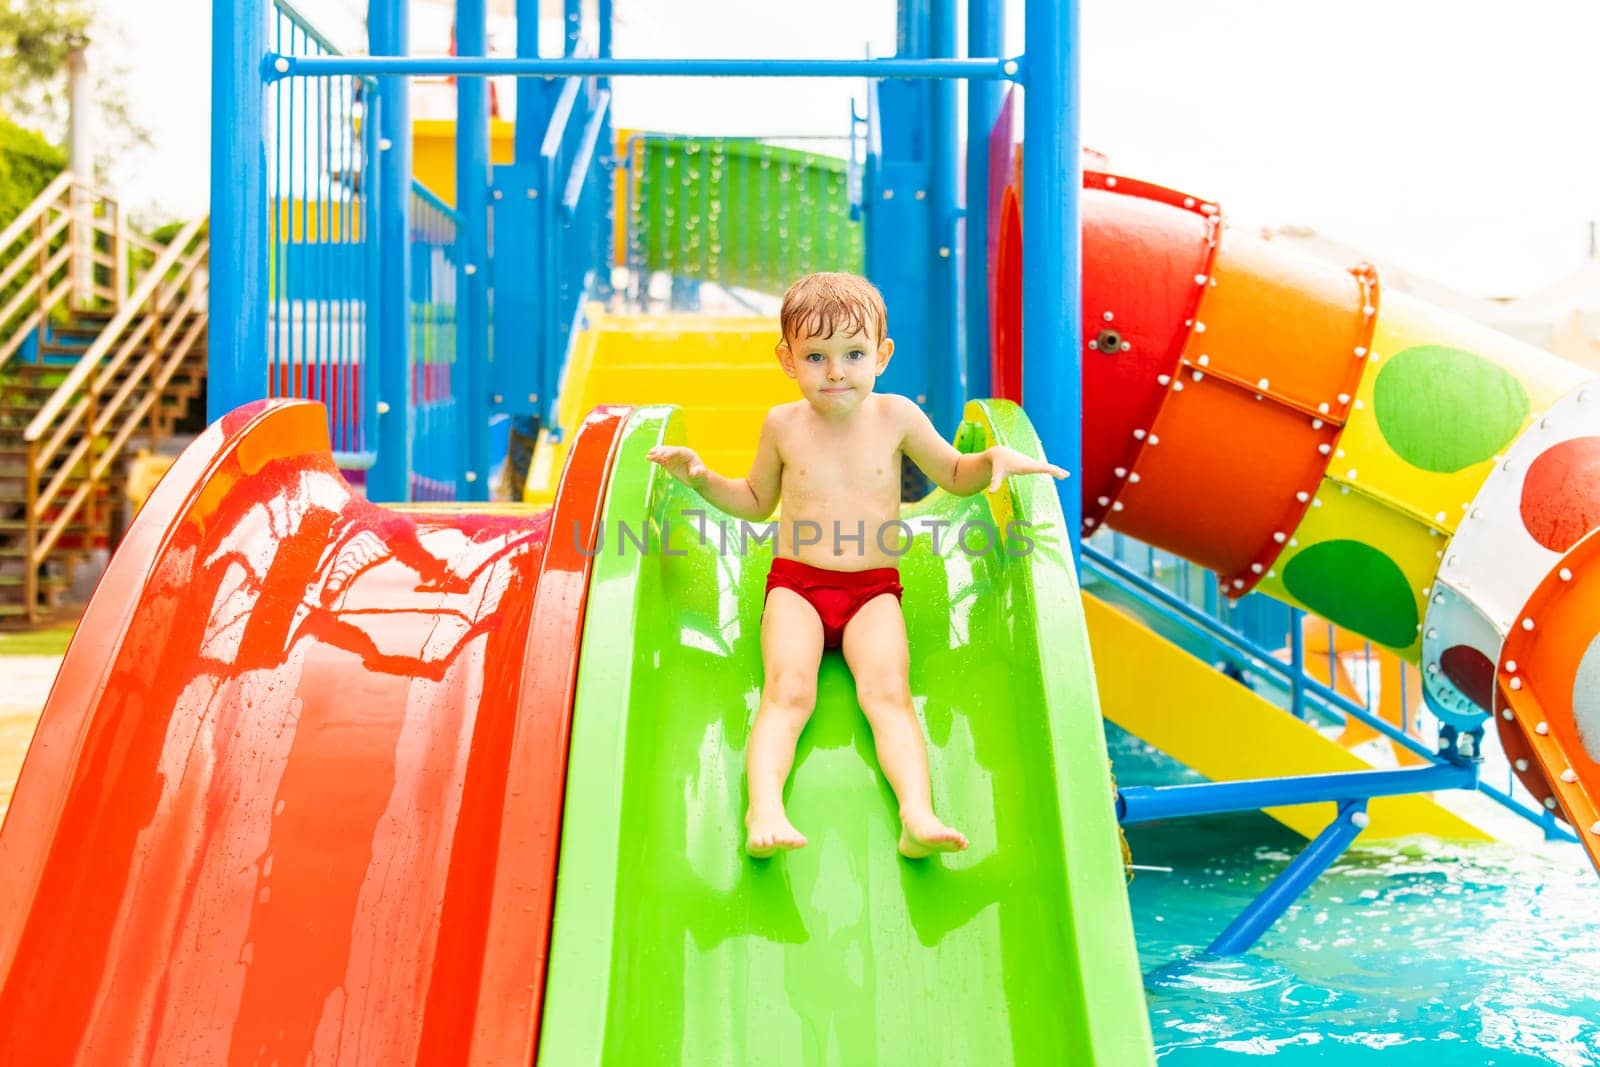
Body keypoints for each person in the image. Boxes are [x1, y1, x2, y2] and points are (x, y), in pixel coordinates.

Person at [647, 272, 1067, 859]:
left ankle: (916, 815)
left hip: (874, 592)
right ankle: (764, 811)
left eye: (853, 353)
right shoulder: (782, 425)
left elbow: (952, 475)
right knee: (787, 692)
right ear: (787, 360)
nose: (836, 371)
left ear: (882, 355)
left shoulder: (897, 416)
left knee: (889, 693)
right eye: (816, 356)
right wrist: (699, 478)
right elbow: (754, 501)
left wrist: (992, 458)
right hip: (797, 587)